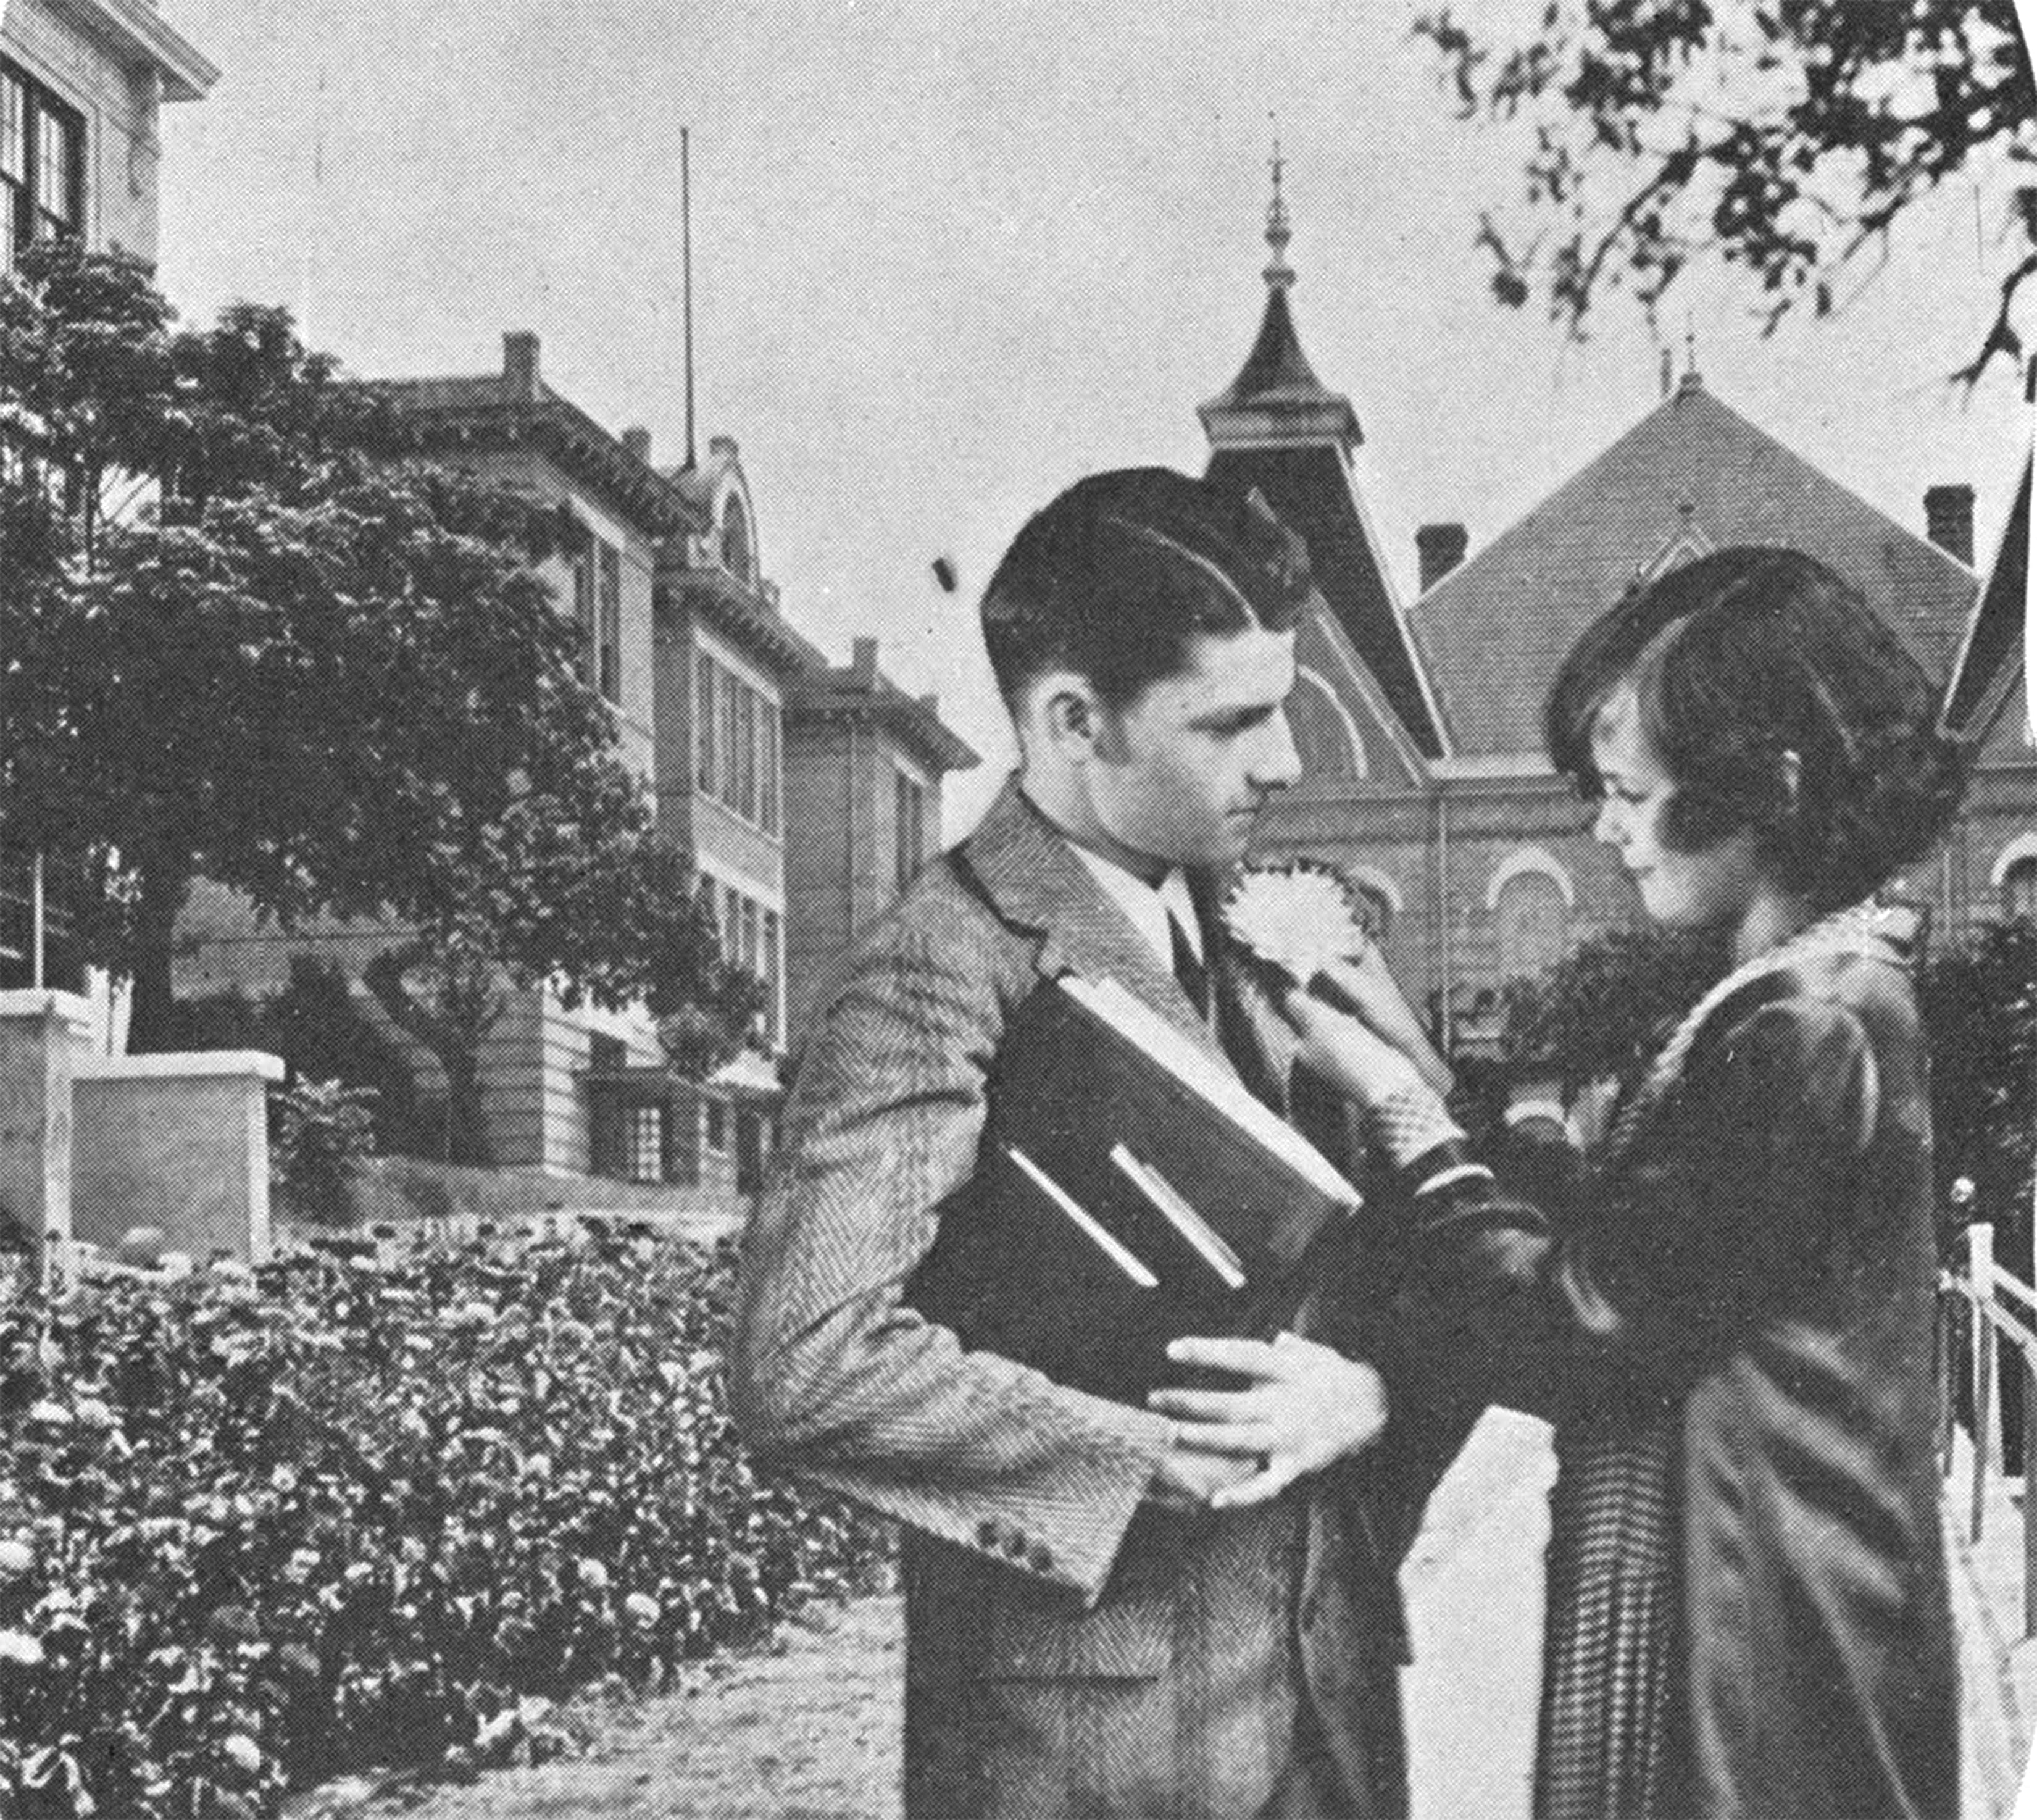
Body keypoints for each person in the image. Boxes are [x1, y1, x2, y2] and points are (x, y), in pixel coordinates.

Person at [1186, 546, 1964, 1818]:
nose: (1603, 829)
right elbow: (1641, 1255)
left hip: (1759, 1653)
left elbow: (1583, 1324)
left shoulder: (1804, 1023)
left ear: (1769, 784)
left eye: (1629, 793)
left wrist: (1394, 1104)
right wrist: (1423, 1073)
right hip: (1780, 1606)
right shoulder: (1811, 992)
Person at [731, 467, 1435, 1818]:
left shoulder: (1259, 920)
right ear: (1070, 722)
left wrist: (1369, 1389)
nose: (1284, 761)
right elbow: (804, 1361)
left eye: (1280, 707)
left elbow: (1417, 1214)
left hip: (1329, 1708)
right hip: (1093, 1757)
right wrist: (1140, 1454)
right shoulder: (936, 969)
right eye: (1232, 722)